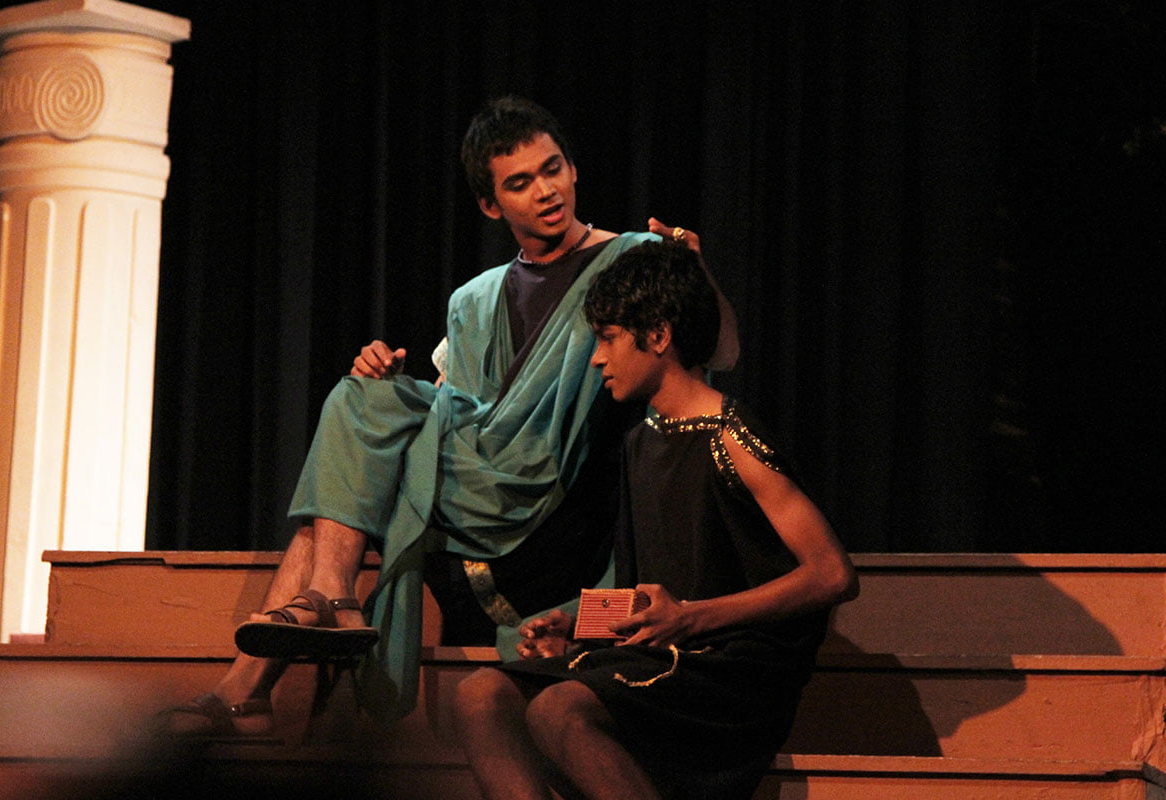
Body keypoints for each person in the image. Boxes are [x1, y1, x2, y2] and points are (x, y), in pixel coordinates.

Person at [159, 96, 738, 737]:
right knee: (361, 399)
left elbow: (721, 352)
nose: (545, 191)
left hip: (551, 498)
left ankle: (288, 643)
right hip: (475, 490)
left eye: (552, 169)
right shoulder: (475, 300)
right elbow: (459, 405)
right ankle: (283, 649)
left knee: (358, 425)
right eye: (520, 182)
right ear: (491, 205)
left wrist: (696, 273)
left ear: (573, 169)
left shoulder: (630, 257)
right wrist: (389, 391)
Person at [450, 240, 858, 800]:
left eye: (608, 337)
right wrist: (580, 629)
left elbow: (832, 574)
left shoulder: (731, 436)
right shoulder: (641, 443)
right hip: (666, 652)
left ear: (659, 335)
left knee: (558, 710)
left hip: (732, 667)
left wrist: (691, 618)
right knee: (480, 697)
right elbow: (650, 593)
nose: (597, 358)